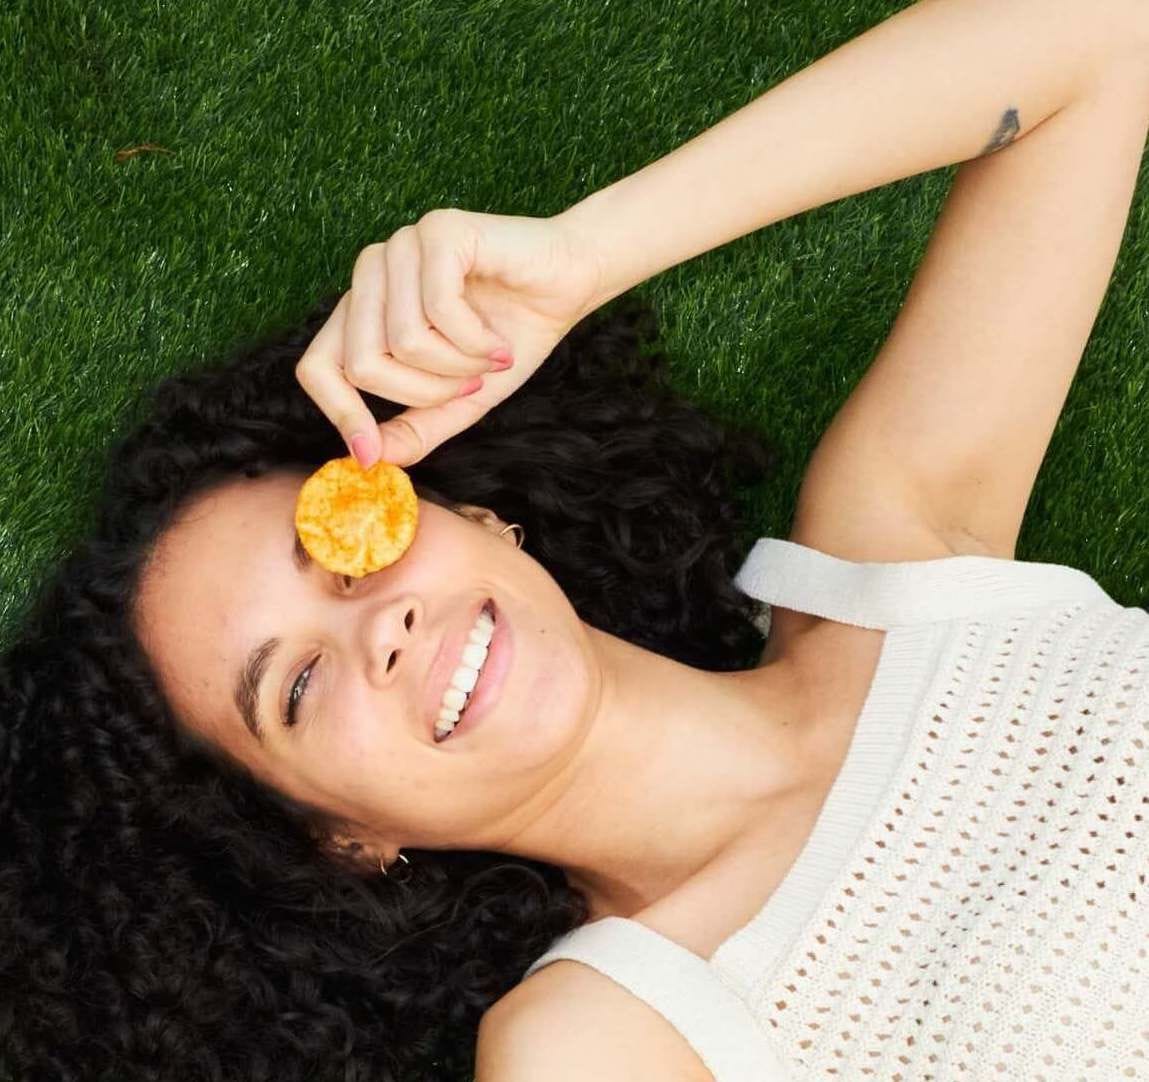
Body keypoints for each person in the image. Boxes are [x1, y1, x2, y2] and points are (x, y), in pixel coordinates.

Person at [4, 0, 1149, 1079]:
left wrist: (587, 256)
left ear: (471, 512)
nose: (379, 627)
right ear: (342, 840)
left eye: (348, 547)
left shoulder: (899, 541)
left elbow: (1096, 35)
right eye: (298, 684)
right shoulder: (595, 1040)